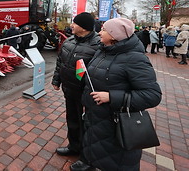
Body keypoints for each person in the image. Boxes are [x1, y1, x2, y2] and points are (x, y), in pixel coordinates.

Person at [71, 18, 162, 171]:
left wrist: (112, 97)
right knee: (96, 149)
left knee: (116, 161)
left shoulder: (135, 59)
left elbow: (152, 95)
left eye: (104, 30)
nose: (99, 32)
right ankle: (90, 163)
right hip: (96, 117)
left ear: (114, 35)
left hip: (116, 123)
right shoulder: (103, 50)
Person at [51, 12, 100, 164]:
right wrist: (56, 80)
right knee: (72, 120)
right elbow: (61, 62)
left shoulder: (99, 44)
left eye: (75, 23)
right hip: (69, 90)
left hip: (86, 94)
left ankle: (86, 156)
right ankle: (74, 146)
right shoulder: (69, 41)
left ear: (84, 27)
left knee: (87, 124)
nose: (71, 25)